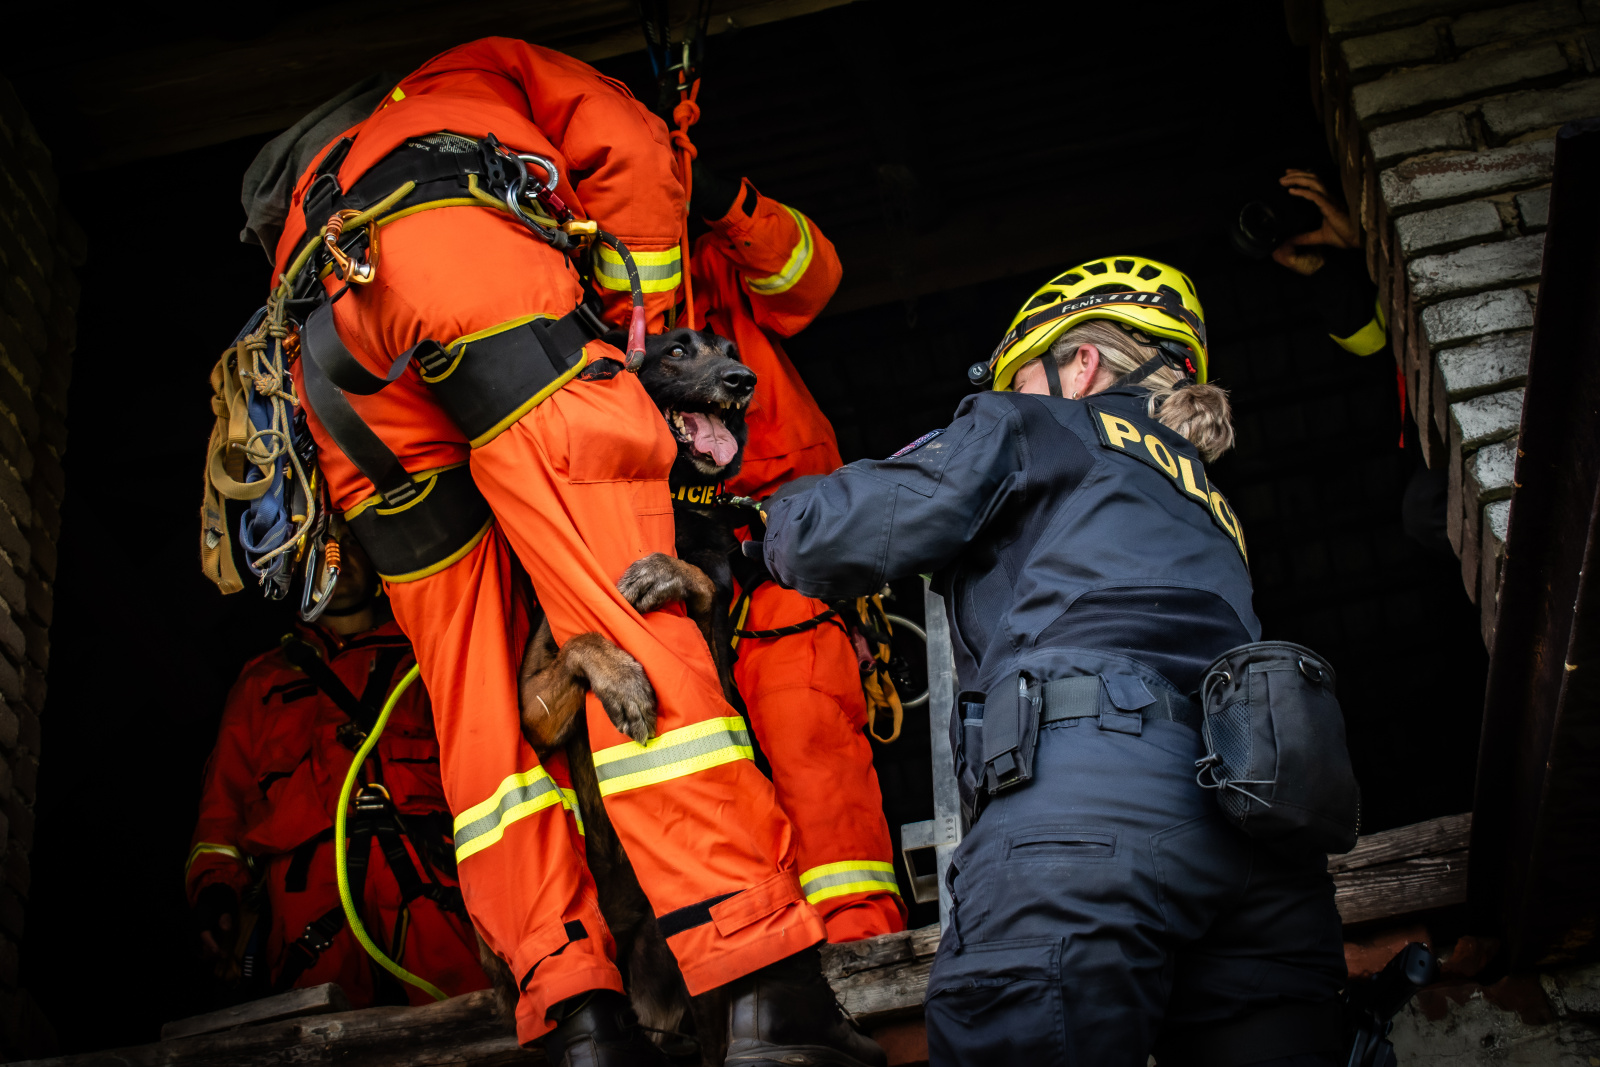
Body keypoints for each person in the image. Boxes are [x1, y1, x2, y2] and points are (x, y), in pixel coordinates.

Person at [259, 40, 882, 1066]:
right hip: (475, 286)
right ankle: (767, 992)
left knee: (476, 707)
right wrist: (641, 327)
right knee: (636, 614)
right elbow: (632, 146)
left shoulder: (323, 188)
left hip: (337, 365)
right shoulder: (497, 68)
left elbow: (801, 273)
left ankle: (574, 1017)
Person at [754, 257, 1349, 1066]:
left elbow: (840, 532)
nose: (1014, 394)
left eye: (1022, 375)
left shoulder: (1043, 425)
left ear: (1082, 364)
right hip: (1262, 837)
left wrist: (759, 519)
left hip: (1086, 805)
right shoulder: (1209, 502)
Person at [686, 163, 906, 943]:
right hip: (666, 571)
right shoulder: (562, 290)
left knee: (809, 735)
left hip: (785, 546)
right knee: (700, 782)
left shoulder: (712, 251)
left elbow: (810, 277)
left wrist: (720, 198)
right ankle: (760, 961)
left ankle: (861, 940)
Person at [187, 533, 488, 1006]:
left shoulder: (429, 659)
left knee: (471, 1014)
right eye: (319, 544)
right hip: (306, 891)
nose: (337, 556)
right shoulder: (264, 680)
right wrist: (216, 889)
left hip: (430, 873)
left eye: (353, 543)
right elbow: (223, 803)